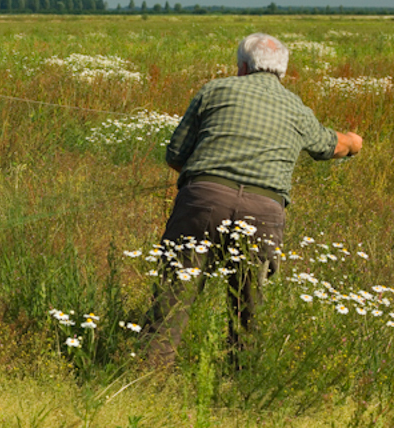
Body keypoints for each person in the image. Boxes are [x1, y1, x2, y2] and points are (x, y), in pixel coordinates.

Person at [143, 32, 363, 367]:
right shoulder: (297, 109)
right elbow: (330, 147)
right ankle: (242, 379)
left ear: (243, 67)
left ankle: (148, 373)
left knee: (175, 293)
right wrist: (354, 141)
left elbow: (175, 154)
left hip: (202, 200)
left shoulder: (213, 90)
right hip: (263, 212)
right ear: (283, 72)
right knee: (248, 306)